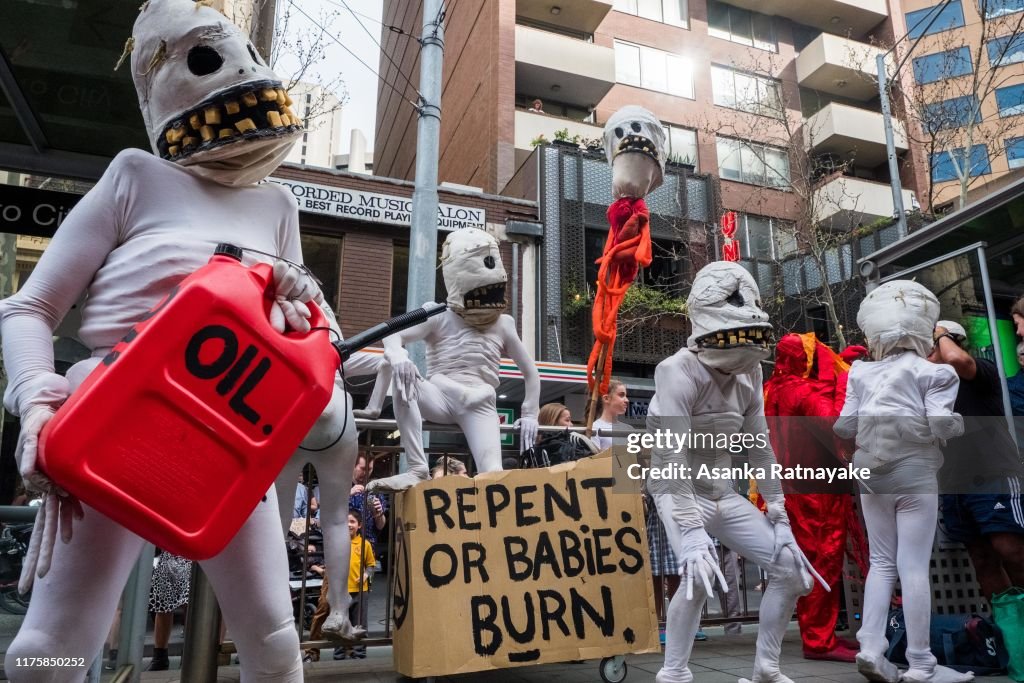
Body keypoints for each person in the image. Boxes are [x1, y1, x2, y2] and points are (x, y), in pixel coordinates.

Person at [835, 282, 969, 683]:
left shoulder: (859, 372)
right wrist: (958, 424)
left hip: (871, 474)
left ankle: (871, 648)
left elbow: (844, 424)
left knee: (880, 562)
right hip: (914, 471)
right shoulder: (936, 373)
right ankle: (921, 662)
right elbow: (943, 423)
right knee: (912, 566)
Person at [764, 332, 865, 663]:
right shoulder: (804, 391)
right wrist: (845, 378)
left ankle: (821, 634)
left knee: (806, 562)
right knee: (823, 559)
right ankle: (819, 640)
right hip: (816, 493)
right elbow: (836, 424)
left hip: (790, 487)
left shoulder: (773, 387)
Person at [929, 320, 1024, 605]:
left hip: (994, 473)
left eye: (931, 347)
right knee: (982, 559)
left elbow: (958, 359)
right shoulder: (926, 387)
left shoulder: (979, 369)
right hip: (954, 482)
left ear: (952, 342)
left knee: (1010, 549)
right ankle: (1011, 629)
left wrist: (940, 334)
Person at [304, 512, 376, 662]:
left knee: (357, 620)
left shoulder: (364, 544)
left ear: (359, 525)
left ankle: (356, 652)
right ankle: (323, 651)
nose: (349, 524)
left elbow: (370, 565)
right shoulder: (335, 540)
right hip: (336, 586)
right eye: (347, 521)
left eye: (353, 521)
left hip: (357, 588)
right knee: (329, 615)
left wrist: (365, 576)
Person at [146, 550, 193, 671]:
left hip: (194, 553)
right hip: (170, 551)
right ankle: (159, 656)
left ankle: (190, 654)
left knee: (192, 604)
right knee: (162, 604)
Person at [521, 402, 598, 468]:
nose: (571, 424)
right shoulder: (577, 443)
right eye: (567, 420)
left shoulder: (532, 453)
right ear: (553, 422)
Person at [592, 379, 631, 450]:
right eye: (621, 395)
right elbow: (594, 459)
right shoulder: (594, 428)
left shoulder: (629, 429)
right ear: (606, 398)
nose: (627, 400)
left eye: (626, 396)